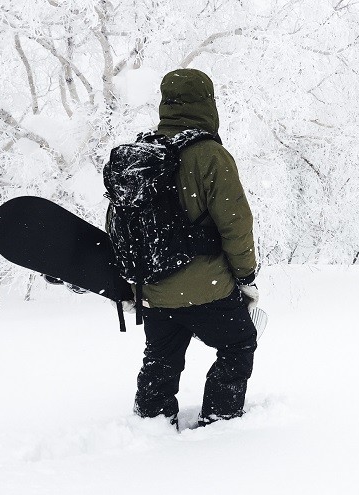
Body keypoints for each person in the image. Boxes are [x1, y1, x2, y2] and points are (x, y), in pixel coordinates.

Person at [130, 68, 258, 428]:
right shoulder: (209, 155)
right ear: (208, 103)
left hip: (154, 288)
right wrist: (246, 275)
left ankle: (151, 424)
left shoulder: (143, 153)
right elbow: (236, 225)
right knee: (238, 346)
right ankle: (219, 421)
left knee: (161, 356)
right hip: (208, 289)